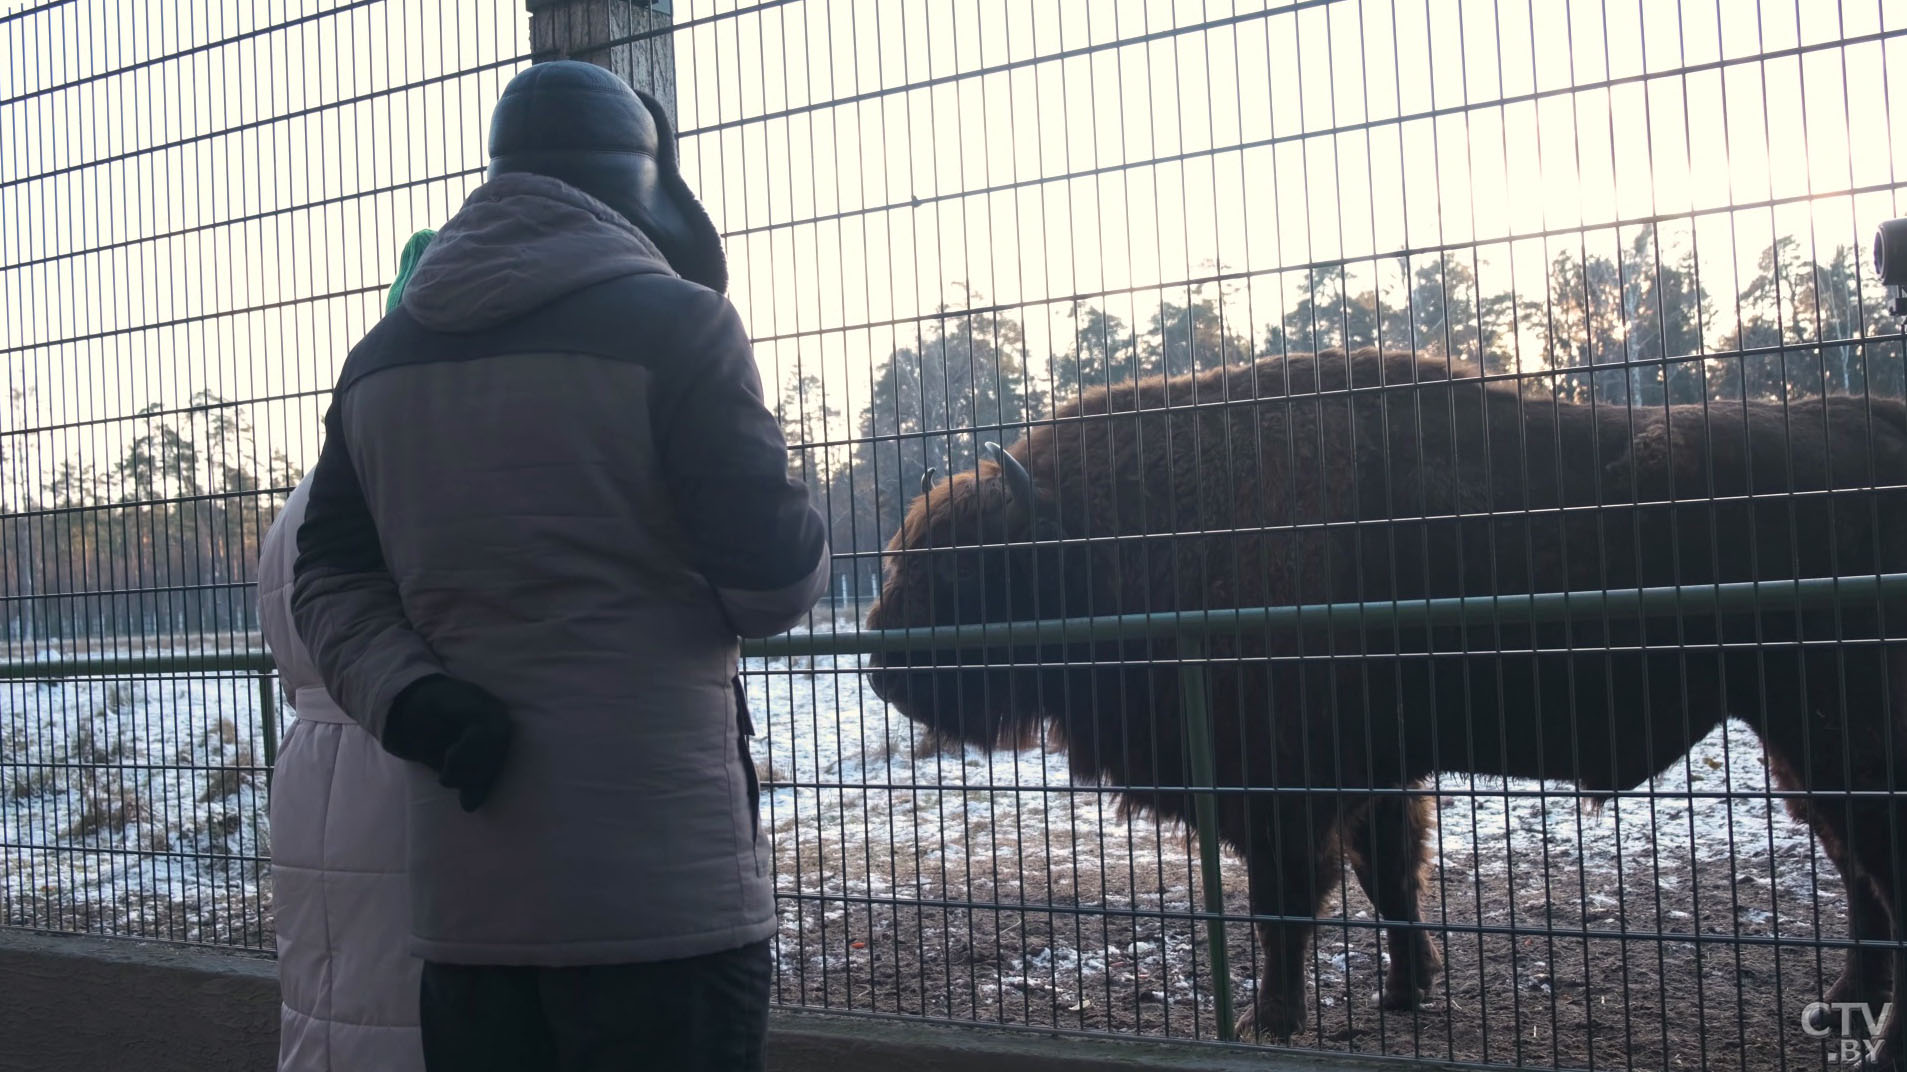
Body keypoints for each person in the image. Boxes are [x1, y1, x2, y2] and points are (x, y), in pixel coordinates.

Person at [288, 59, 830, 1072]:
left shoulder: (379, 361)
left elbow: (324, 578)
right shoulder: (680, 330)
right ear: (639, 182)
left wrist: (411, 698)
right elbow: (771, 583)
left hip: (468, 909)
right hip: (664, 902)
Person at [260, 226, 438, 1072]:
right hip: (405, 762)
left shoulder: (307, 496)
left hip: (311, 774)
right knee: (399, 1014)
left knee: (325, 1000)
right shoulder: (426, 469)